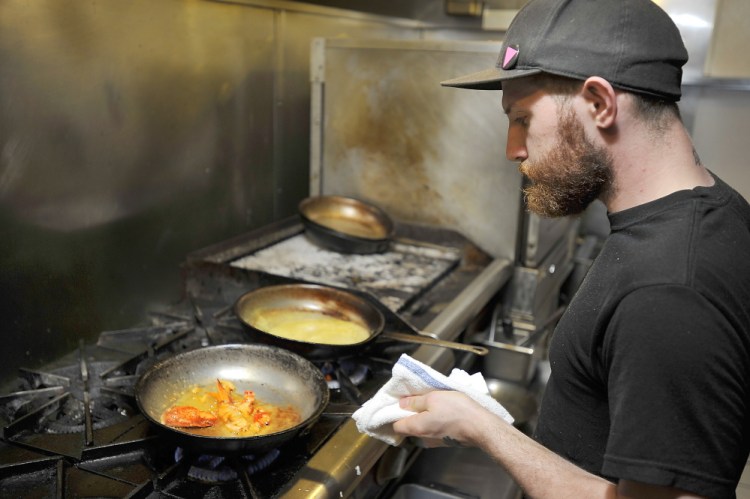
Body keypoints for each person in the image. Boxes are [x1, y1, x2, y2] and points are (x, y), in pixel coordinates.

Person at [391, 0, 750, 498]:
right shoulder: (714, 211)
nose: (512, 149)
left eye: (521, 118)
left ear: (600, 103)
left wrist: (483, 429)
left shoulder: (668, 291)